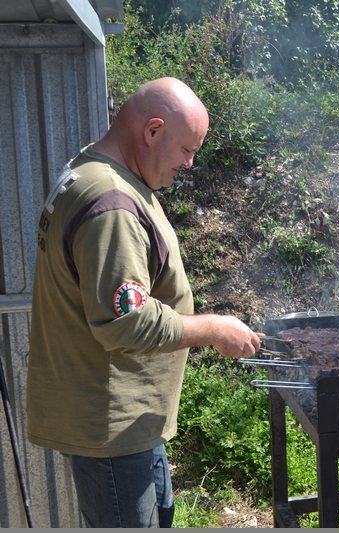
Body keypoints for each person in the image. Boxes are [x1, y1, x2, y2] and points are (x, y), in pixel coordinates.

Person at [26, 77, 262, 528]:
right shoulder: (112, 204)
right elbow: (126, 322)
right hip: (112, 425)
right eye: (186, 149)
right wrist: (214, 330)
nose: (190, 163)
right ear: (152, 132)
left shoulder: (92, 168)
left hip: (129, 420)